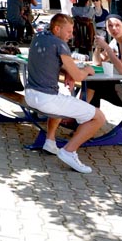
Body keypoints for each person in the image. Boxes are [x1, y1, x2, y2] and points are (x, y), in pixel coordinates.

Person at [23, 13, 106, 174]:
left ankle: (50, 142)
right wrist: (87, 70)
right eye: (68, 32)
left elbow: (50, 63)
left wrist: (67, 71)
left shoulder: (39, 37)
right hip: (47, 98)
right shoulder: (60, 44)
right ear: (57, 29)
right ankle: (69, 151)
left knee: (63, 102)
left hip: (31, 95)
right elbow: (79, 76)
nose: (71, 35)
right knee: (99, 117)